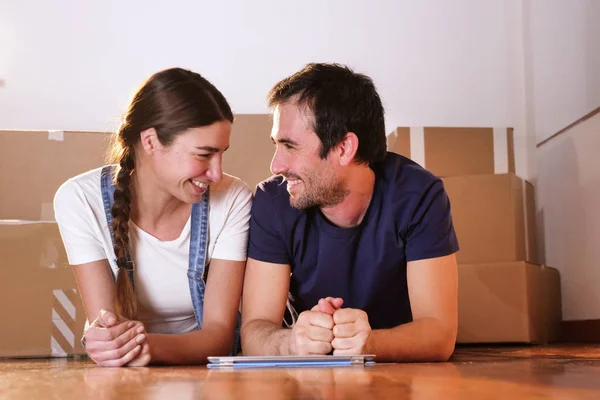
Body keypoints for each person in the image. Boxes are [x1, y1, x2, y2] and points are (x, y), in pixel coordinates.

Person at [241, 63, 459, 362]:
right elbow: (253, 332)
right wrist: (291, 342)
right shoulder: (273, 200)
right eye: (276, 145)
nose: (276, 166)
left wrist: (371, 343)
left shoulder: (419, 195)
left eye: (290, 146)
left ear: (344, 148)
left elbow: (440, 335)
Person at [54, 68, 252, 366]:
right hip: (124, 377)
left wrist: (142, 346)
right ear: (150, 142)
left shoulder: (233, 199)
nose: (217, 172)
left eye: (221, 153)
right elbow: (107, 325)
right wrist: (111, 342)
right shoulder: (80, 200)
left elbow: (220, 337)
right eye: (203, 154)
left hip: (204, 374)